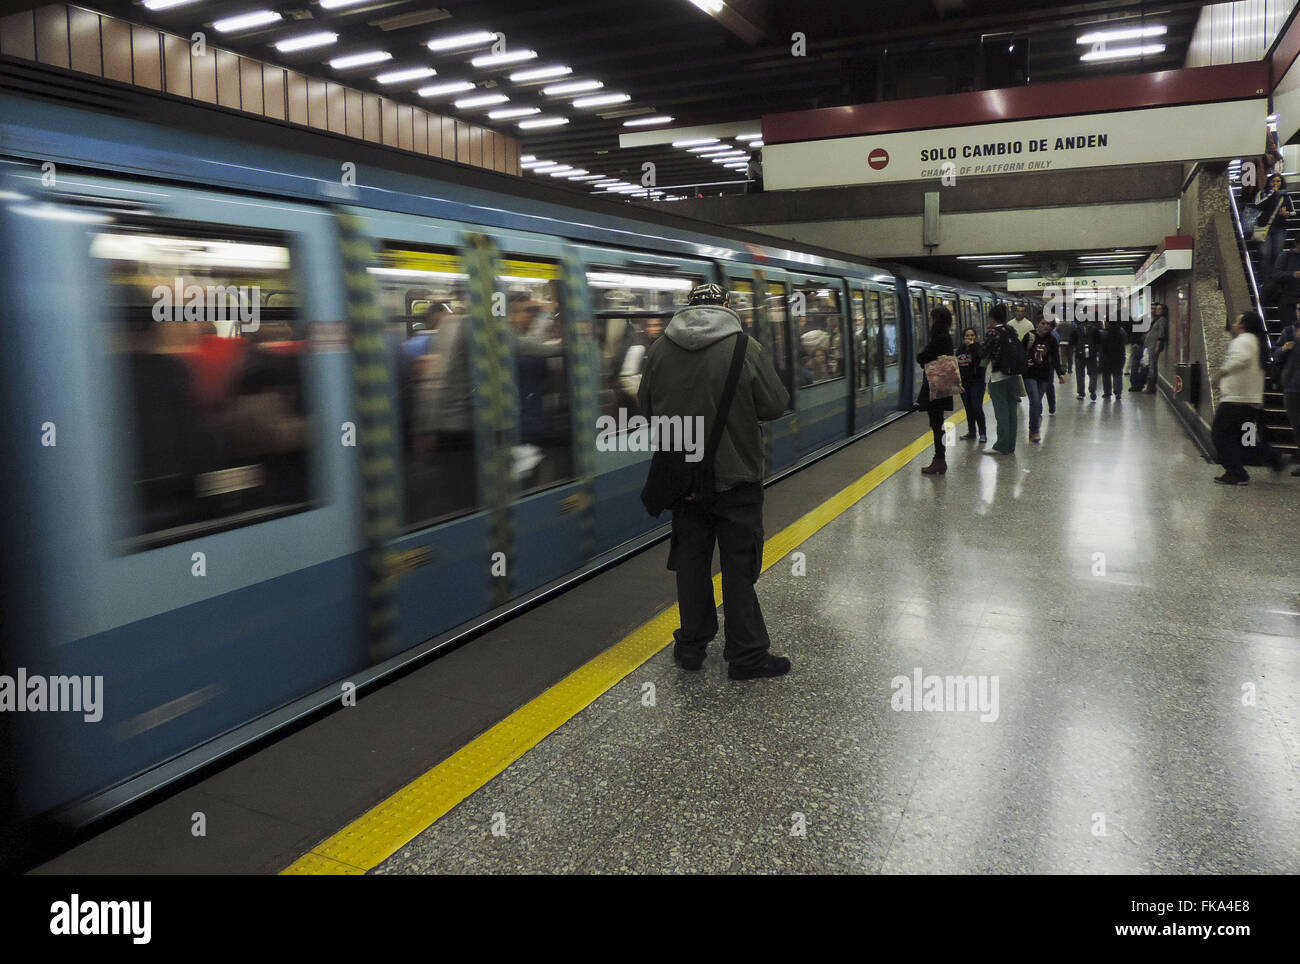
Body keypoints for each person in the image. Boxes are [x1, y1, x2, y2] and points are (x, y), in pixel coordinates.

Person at [638, 282, 790, 680]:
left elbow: (646, 406)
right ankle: (747, 656)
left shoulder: (659, 349)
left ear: (687, 309)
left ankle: (691, 647)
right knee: (739, 568)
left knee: (690, 564)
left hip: (683, 479)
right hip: (737, 477)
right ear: (726, 307)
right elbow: (775, 403)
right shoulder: (745, 348)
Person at [1211, 311, 1286, 484]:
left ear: (1243, 324)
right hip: (1251, 402)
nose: (1234, 323)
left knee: (1220, 434)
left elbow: (1238, 359)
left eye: (1237, 320)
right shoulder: (1257, 343)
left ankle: (1236, 472)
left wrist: (1219, 374)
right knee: (1246, 440)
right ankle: (1275, 457)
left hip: (1235, 401)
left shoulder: (1243, 341)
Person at [916, 306, 956, 475]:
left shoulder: (940, 337)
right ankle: (939, 459)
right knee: (937, 422)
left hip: (936, 385)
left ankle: (939, 459)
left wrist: (921, 356)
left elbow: (923, 357)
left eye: (933, 318)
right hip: (941, 384)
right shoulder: (945, 336)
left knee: (937, 423)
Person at [981, 303, 1019, 455]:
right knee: (1011, 410)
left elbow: (983, 353)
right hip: (1012, 375)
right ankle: (1010, 444)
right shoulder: (1011, 330)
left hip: (996, 376)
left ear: (991, 318)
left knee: (1001, 411)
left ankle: (1001, 445)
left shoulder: (992, 333)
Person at [1022, 316, 1067, 443]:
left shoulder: (1052, 340)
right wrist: (1024, 363)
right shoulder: (1029, 336)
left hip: (1044, 375)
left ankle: (1033, 429)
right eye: (1043, 323)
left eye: (1048, 324)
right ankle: (1034, 430)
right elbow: (1020, 352)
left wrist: (1060, 374)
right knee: (1035, 402)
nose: (1046, 326)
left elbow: (1056, 358)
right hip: (1030, 374)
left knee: (1037, 402)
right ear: (1038, 323)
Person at [1274, 312, 1300, 475]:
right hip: (1291, 385)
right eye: (1298, 309)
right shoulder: (1289, 332)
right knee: (1297, 425)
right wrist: (1283, 348)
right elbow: (1275, 353)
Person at [1257, 174, 1293, 272]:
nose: (1275, 183)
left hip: (1279, 229)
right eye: (1273, 181)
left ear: (1282, 183)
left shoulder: (1285, 196)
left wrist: (1287, 213)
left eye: (1278, 181)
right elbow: (1258, 205)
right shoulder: (1262, 193)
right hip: (1264, 228)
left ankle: (1275, 279)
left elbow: (1293, 211)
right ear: (1269, 182)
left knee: (1277, 254)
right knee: (1265, 254)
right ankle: (1266, 279)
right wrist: (1272, 194)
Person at [957, 326, 987, 443]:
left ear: (976, 337)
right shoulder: (960, 350)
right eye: (967, 336)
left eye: (972, 335)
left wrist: (972, 347)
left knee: (976, 407)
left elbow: (981, 364)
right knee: (968, 408)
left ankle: (983, 433)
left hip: (977, 382)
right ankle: (971, 432)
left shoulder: (980, 348)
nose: (970, 338)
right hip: (964, 383)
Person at [1271, 237, 1300, 332]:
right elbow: (1276, 274)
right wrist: (1292, 274)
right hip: (1288, 300)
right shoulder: (1286, 256)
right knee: (1291, 331)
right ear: (1297, 243)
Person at [1071, 318, 1102, 400]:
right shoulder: (1095, 329)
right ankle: (1092, 390)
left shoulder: (1076, 330)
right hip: (1092, 354)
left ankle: (1081, 393)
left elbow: (1072, 342)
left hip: (1079, 354)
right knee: (1093, 373)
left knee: (1080, 374)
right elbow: (1099, 341)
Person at [1143, 302, 1170, 394]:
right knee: (1151, 364)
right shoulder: (1156, 319)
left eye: (1159, 309)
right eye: (1156, 309)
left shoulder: (1162, 320)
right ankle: (1150, 385)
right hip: (1150, 344)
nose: (1157, 311)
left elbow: (1161, 334)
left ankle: (1151, 386)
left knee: (1152, 366)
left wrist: (1158, 346)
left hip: (1154, 345)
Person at [1099, 317, 1127, 400]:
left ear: (1107, 322)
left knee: (1106, 374)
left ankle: (1107, 392)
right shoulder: (1121, 331)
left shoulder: (1103, 332)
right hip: (1119, 355)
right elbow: (1125, 341)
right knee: (1117, 374)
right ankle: (1118, 392)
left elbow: (1100, 344)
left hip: (1106, 356)